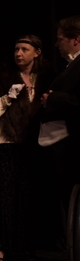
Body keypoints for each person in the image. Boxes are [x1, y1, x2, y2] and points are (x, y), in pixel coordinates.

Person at [0, 35, 50, 261]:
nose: (18, 53)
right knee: (5, 196)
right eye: (16, 49)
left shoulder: (45, 78)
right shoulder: (2, 77)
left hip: (33, 143)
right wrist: (8, 98)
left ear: (37, 53)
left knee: (28, 196)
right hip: (5, 142)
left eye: (24, 49)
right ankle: (0, 246)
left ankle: (24, 246)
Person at [39, 15, 80, 228]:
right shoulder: (71, 66)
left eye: (60, 39)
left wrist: (52, 99)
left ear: (76, 39)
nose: (56, 44)